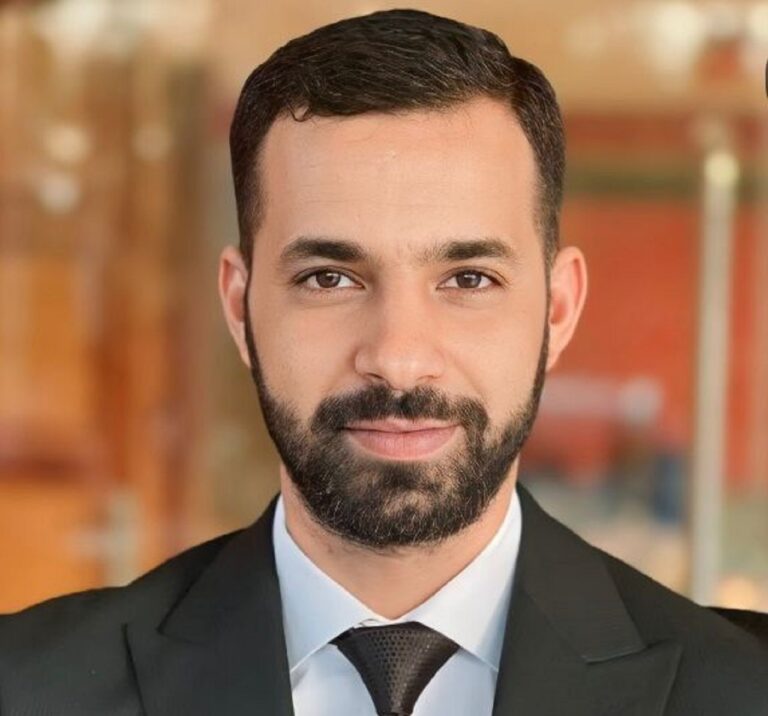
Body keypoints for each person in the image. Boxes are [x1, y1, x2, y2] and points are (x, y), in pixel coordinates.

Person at [1, 9, 766, 716]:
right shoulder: (27, 686)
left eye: (469, 280)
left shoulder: (742, 689)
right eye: (329, 279)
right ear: (239, 307)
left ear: (558, 310)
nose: (398, 360)